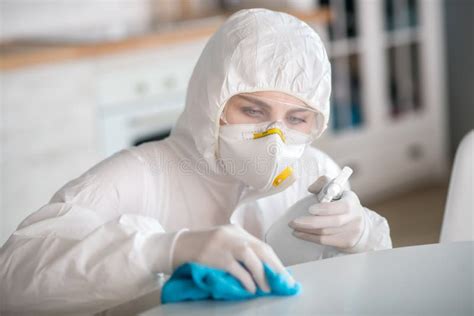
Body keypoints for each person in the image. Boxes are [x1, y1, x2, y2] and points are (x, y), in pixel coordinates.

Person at [0, 8, 391, 314]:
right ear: (212, 100)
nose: (275, 139)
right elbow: (12, 280)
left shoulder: (314, 172)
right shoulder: (138, 175)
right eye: (253, 111)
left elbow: (384, 284)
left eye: (296, 119)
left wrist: (362, 234)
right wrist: (162, 250)